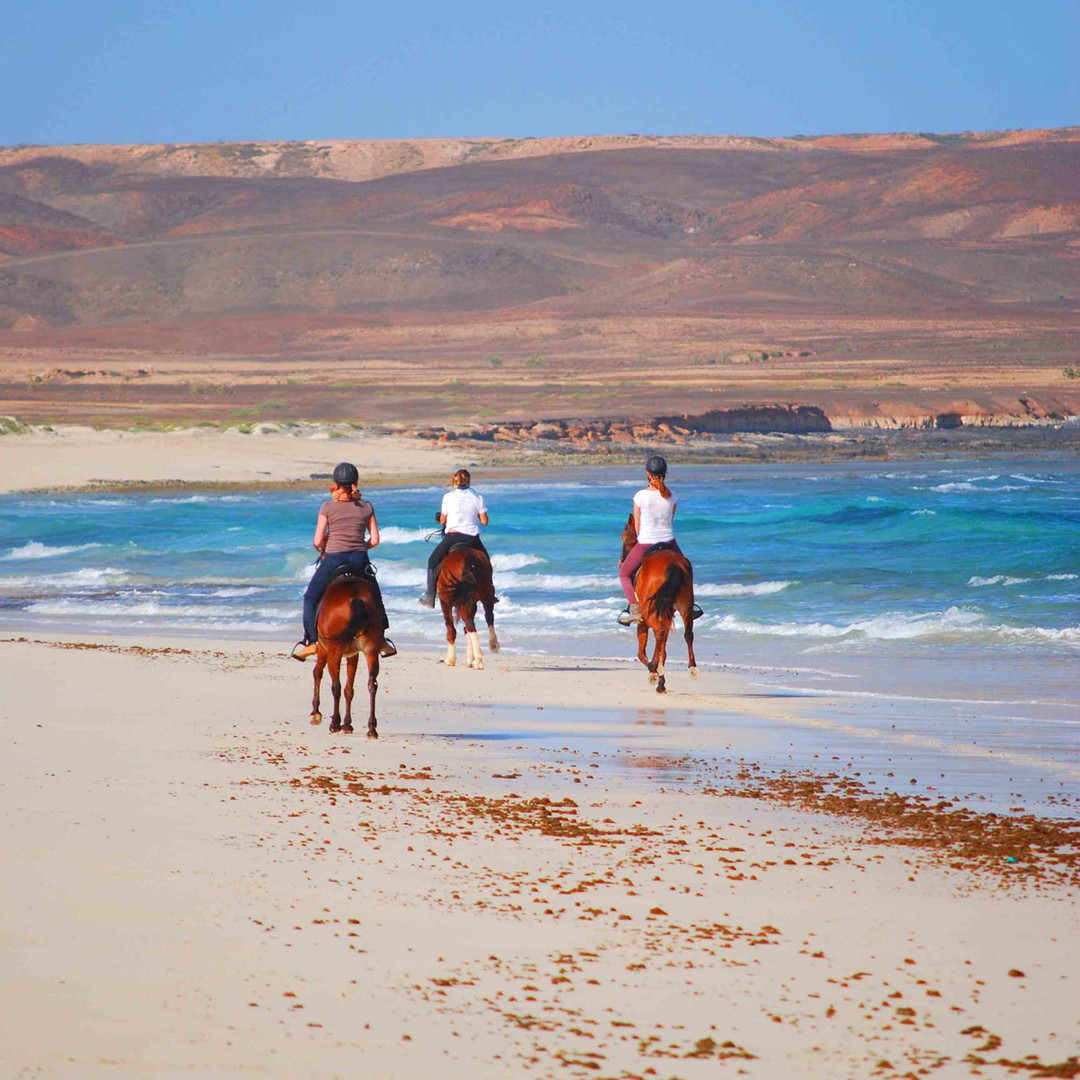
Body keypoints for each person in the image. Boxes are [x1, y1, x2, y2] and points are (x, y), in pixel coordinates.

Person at [291, 462, 396, 661]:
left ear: (336, 484)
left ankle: (311, 641)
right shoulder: (366, 506)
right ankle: (381, 639)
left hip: (333, 559)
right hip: (359, 559)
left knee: (311, 598)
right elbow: (374, 540)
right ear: (355, 482)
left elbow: (317, 540)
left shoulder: (327, 507)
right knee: (375, 596)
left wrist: (322, 547)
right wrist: (360, 545)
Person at [618, 454, 682, 625]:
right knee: (685, 569)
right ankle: (687, 604)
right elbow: (670, 520)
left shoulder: (640, 496)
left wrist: (642, 538)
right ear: (665, 473)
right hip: (669, 542)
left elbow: (637, 526)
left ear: (648, 474)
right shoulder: (673, 496)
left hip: (646, 543)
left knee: (624, 573)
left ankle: (634, 608)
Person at [418, 468, 490, 608]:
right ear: (469, 481)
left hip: (453, 537)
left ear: (455, 482)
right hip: (472, 538)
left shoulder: (448, 497)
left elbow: (443, 520)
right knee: (486, 563)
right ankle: (489, 595)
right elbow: (484, 522)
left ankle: (430, 597)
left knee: (432, 561)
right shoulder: (478, 497)